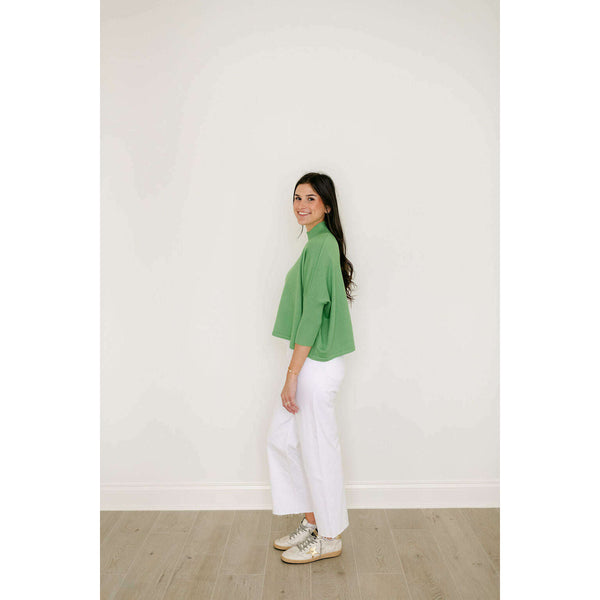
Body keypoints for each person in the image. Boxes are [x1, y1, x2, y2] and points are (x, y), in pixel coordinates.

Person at [266, 172, 356, 564]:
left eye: (311, 199)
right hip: (312, 363)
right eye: (297, 197)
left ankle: (329, 536)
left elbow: (313, 312)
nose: (301, 205)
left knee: (319, 450)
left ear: (327, 206)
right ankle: (313, 521)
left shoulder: (322, 246)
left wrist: (292, 373)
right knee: (283, 439)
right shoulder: (316, 244)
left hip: (317, 365)